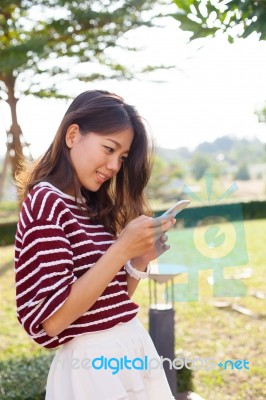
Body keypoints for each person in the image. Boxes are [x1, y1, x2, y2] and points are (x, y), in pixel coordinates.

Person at [14, 90, 176, 400]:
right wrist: (120, 249)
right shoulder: (46, 203)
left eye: (123, 157)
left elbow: (108, 302)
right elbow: (53, 320)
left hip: (129, 350)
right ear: (73, 135)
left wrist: (138, 260)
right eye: (109, 148)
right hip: (92, 371)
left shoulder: (89, 207)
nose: (115, 165)